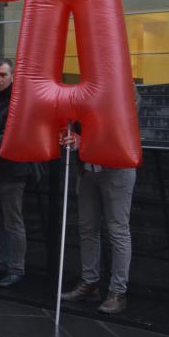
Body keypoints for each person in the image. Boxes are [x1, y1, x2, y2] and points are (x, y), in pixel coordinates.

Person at [59, 90, 140, 314]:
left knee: (117, 230)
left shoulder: (126, 89)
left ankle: (117, 292)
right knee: (87, 227)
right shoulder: (88, 89)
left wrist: (82, 141)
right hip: (88, 168)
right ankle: (90, 283)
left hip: (116, 168)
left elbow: (118, 127)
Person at [0, 59, 40, 288]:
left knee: (13, 222)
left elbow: (13, 133)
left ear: (12, 76)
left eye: (2, 75)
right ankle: (3, 263)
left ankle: (16, 268)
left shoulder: (19, 101)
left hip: (13, 169)